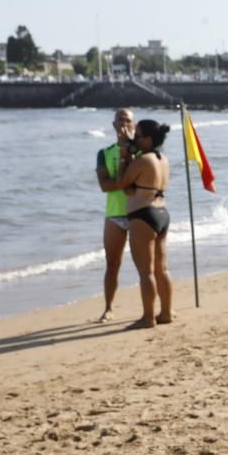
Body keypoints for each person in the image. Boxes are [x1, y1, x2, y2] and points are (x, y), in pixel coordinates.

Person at [110, 119, 174, 329]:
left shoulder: (143, 160)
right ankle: (165, 312)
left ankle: (148, 317)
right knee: (161, 269)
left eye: (137, 136)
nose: (135, 140)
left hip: (142, 215)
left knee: (146, 271)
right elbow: (138, 185)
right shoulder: (162, 159)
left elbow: (121, 183)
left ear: (147, 139)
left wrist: (123, 159)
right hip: (161, 213)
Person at [95, 108, 135, 323]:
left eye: (127, 120)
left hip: (138, 212)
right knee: (112, 264)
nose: (123, 124)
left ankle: (154, 306)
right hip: (115, 214)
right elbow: (105, 185)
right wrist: (121, 183)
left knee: (147, 265)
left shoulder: (140, 151)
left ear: (134, 125)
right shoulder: (105, 153)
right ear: (113, 124)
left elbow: (141, 180)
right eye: (120, 120)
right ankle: (108, 308)